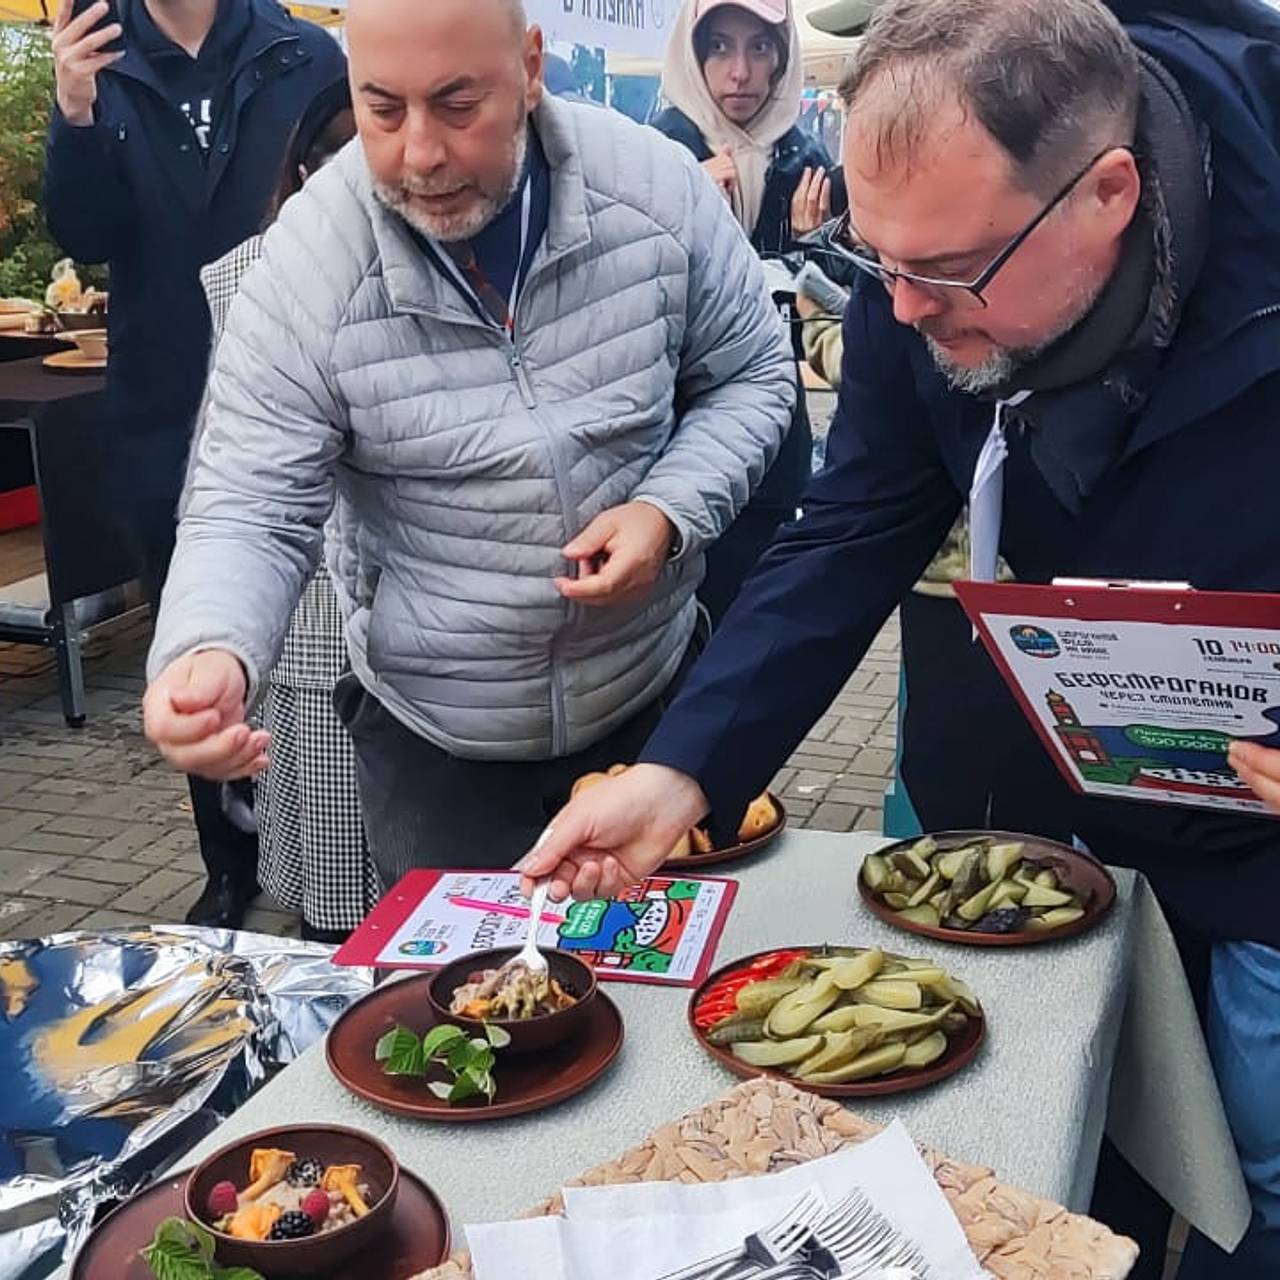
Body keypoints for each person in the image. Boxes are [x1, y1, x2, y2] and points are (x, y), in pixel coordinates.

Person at [522, 1, 1280, 1275]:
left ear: (1107, 193)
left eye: (947, 274)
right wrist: (684, 767)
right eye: (881, 263)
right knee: (1077, 1141)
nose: (908, 311)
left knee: (1260, 1171)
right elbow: (855, 522)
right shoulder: (921, 251)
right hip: (1075, 794)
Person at [141, 0, 795, 895]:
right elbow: (247, 501)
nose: (420, 153)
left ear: (529, 69)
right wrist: (210, 647)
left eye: (458, 105)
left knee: (664, 1004)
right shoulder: (306, 265)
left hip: (653, 705)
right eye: (382, 109)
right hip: (437, 747)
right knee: (468, 1024)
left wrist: (669, 508)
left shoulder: (653, 187)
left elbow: (756, 373)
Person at [45, 0, 346, 929]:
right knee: (194, 642)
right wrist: (76, 109)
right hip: (160, 402)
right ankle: (228, 862)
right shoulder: (105, 59)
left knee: (311, 633)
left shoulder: (301, 50)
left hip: (300, 396)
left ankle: (323, 843)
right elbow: (85, 236)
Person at [195, 78, 371, 945]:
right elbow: (232, 468)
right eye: (333, 152)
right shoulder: (247, 276)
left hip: (434, 611)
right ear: (302, 171)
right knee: (334, 866)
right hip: (313, 602)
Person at [652, 0, 847, 623]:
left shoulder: (807, 160)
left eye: (759, 48)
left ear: (782, 59)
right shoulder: (654, 156)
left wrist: (814, 250)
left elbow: (832, 312)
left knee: (750, 621)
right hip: (663, 444)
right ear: (693, 52)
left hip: (771, 446)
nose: (739, 72)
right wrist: (681, 217)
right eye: (720, 47)